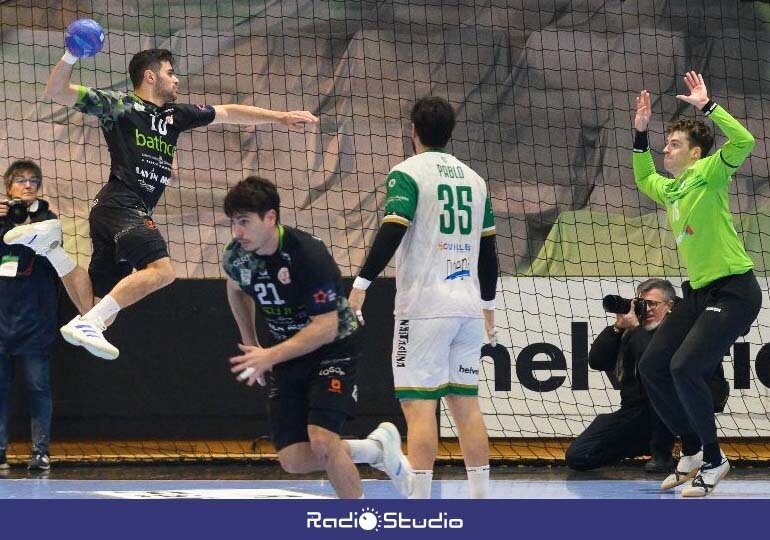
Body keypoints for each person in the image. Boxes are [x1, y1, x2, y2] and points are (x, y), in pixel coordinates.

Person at [4, 45, 318, 360]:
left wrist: (280, 117)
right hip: (123, 204)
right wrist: (72, 53)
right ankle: (90, 322)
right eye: (170, 73)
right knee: (162, 271)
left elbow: (228, 112)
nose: (177, 79)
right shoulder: (118, 105)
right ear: (150, 76)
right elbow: (57, 90)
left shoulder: (175, 115)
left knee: (96, 310)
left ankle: (51, 249)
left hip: (113, 211)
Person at [348, 96, 499, 499]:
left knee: (418, 407)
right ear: (450, 134)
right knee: (465, 405)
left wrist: (361, 284)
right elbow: (489, 253)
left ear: (413, 131)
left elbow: (392, 230)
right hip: (467, 307)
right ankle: (480, 498)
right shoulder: (475, 180)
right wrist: (488, 307)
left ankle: (418, 502)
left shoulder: (407, 173)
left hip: (425, 308)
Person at [223, 176, 397, 499]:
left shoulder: (307, 255)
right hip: (289, 353)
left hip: (334, 348)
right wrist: (252, 342)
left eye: (244, 222)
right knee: (291, 459)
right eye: (234, 222)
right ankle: (374, 450)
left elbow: (326, 327)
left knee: (322, 440)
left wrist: (269, 357)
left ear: (270, 218)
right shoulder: (237, 256)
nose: (237, 232)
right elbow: (235, 288)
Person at [633, 71, 762, 496]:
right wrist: (639, 135)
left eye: (673, 144)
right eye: (665, 143)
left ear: (695, 152)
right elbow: (642, 178)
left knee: (684, 367)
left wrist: (708, 107)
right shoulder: (671, 189)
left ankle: (713, 458)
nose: (665, 149)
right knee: (652, 366)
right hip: (698, 292)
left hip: (735, 289)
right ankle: (689, 449)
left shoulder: (711, 171)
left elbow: (744, 142)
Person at [566, 279, 678, 473]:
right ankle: (643, 444)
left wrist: (636, 329)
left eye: (653, 304)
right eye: (643, 303)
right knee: (578, 456)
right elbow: (597, 361)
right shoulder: (632, 330)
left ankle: (663, 453)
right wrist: (617, 328)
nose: (647, 309)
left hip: (668, 412)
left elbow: (652, 363)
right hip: (633, 412)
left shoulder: (677, 330)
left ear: (669, 306)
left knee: (659, 400)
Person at [0, 160, 60, 471]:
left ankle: (40, 452)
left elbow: (53, 261)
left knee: (38, 388)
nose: (27, 185)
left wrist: (28, 226)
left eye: (33, 181)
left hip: (36, 322)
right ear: (7, 188)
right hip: (2, 322)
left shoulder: (49, 220)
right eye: (20, 180)